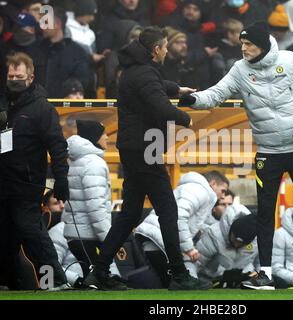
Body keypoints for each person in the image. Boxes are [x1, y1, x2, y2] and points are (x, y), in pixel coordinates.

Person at [179, 21, 293, 289]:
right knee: (265, 212)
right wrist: (193, 101)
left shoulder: (289, 60)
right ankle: (264, 273)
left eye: (248, 44)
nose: (243, 48)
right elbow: (216, 94)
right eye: (241, 43)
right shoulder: (240, 70)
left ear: (262, 45)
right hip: (268, 152)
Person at [84, 26, 210, 291]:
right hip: (145, 151)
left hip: (134, 150)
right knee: (168, 209)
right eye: (164, 47)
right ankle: (178, 274)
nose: (165, 51)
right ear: (156, 50)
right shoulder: (144, 72)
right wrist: (186, 118)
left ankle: (99, 272)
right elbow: (160, 105)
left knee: (130, 214)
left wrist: (177, 88)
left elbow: (155, 87)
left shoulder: (135, 70)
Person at [0, 52, 69, 290]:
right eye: (11, 76)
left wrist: (61, 180)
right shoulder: (5, 105)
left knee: (32, 232)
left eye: (19, 76)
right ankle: (8, 282)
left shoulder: (41, 108)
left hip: (27, 184)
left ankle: (55, 280)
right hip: (4, 183)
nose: (14, 80)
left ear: (31, 77)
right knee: (6, 234)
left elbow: (58, 146)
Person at [134, 171, 229, 286]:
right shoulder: (199, 191)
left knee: (166, 283)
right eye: (223, 190)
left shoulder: (193, 188)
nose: (223, 196)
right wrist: (189, 248)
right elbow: (179, 217)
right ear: (213, 183)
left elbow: (187, 219)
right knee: (175, 284)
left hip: (156, 238)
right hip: (159, 240)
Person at [61, 120, 113, 278]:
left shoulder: (77, 160)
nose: (107, 138)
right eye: (103, 134)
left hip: (77, 235)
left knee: (94, 279)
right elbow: (96, 206)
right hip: (87, 235)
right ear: (94, 137)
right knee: (98, 280)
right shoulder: (94, 163)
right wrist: (108, 238)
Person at [195, 204, 259, 288]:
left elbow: (261, 263)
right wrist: (193, 283)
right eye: (235, 239)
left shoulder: (257, 241)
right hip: (209, 283)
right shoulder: (213, 235)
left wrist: (257, 274)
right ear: (231, 230)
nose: (236, 244)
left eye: (242, 244)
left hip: (242, 282)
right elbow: (195, 264)